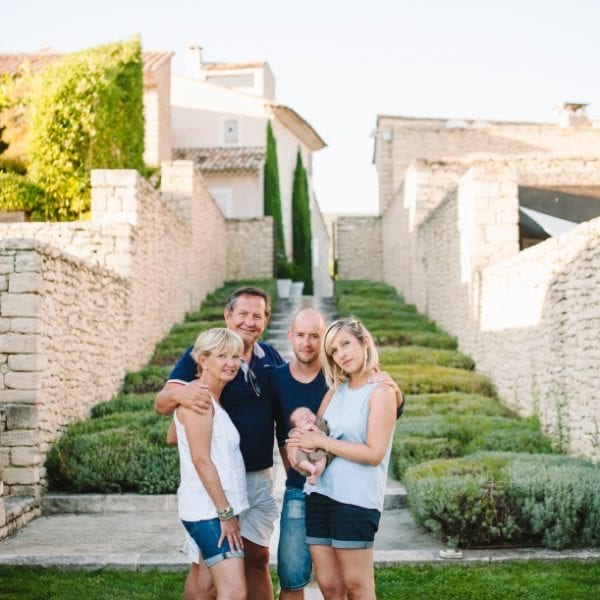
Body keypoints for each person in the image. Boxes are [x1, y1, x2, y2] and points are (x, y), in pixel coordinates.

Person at [155, 286, 285, 600]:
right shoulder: (204, 357)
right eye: (242, 314)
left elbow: (286, 410)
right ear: (228, 315)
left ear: (266, 321)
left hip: (255, 480)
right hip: (214, 488)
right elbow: (164, 405)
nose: (249, 321)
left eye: (258, 315)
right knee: (212, 578)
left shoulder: (270, 357)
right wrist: (182, 395)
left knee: (257, 560)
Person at [272, 309, 404, 600]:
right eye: (333, 350)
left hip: (355, 501)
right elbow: (317, 441)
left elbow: (373, 453)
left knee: (357, 587)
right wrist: (299, 448)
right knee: (330, 587)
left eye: (345, 344)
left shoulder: (382, 392)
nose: (341, 354)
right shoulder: (336, 390)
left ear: (364, 342)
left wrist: (322, 441)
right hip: (319, 496)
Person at [175, 328, 248, 600]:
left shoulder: (210, 398)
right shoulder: (200, 401)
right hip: (209, 511)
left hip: (213, 507)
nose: (231, 363)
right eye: (222, 356)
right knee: (234, 591)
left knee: (206, 585)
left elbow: (175, 434)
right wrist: (226, 514)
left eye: (236, 356)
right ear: (203, 360)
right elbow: (201, 460)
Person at [288, 407, 331, 485]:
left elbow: (325, 433)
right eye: (301, 418)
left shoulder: (319, 423)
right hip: (304, 452)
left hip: (319, 451)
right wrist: (306, 428)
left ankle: (315, 476)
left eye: (308, 413)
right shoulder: (295, 431)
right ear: (295, 426)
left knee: (322, 459)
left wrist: (315, 428)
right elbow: (292, 439)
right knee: (299, 457)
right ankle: (311, 468)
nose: (306, 417)